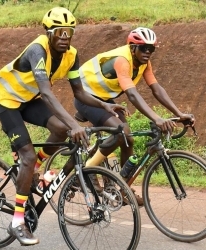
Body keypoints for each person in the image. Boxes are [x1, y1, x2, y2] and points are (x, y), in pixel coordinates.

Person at [0, 7, 128, 245]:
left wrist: (105, 107)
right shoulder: (37, 50)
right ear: (48, 33)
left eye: (69, 32)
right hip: (5, 100)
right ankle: (17, 222)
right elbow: (47, 93)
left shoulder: (72, 55)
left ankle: (33, 170)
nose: (64, 37)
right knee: (28, 156)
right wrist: (75, 124)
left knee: (60, 130)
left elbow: (80, 92)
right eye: (59, 32)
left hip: (27, 100)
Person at [74, 27, 195, 205]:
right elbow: (132, 95)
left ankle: (123, 188)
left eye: (151, 49)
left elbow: (156, 89)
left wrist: (179, 113)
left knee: (128, 139)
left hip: (106, 99)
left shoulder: (144, 62)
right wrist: (157, 118)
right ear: (132, 48)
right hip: (86, 97)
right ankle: (86, 171)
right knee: (121, 131)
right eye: (143, 48)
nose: (147, 52)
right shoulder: (123, 60)